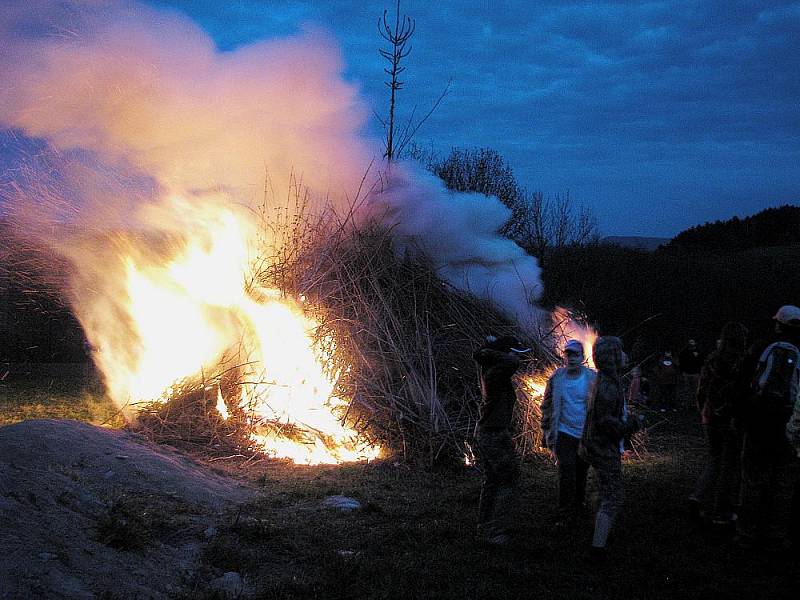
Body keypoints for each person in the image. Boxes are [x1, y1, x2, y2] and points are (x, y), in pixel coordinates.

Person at [735, 305, 800, 550]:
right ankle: (776, 534)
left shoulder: (762, 346)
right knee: (784, 481)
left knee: (753, 478)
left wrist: (741, 415)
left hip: (759, 422)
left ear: (778, 324)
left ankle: (746, 533)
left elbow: (743, 381)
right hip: (790, 426)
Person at [579, 336, 644, 558]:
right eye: (620, 351)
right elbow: (607, 422)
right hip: (602, 448)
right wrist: (632, 424)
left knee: (601, 489)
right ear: (611, 357)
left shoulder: (606, 380)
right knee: (613, 495)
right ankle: (598, 547)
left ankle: (598, 531)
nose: (625, 355)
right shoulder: (608, 387)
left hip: (595, 446)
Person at [473, 334, 530, 545]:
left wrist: (489, 351)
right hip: (492, 433)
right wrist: (490, 350)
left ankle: (485, 527)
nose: (519, 359)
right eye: (515, 352)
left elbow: (511, 360)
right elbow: (512, 361)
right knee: (509, 479)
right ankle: (495, 532)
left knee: (493, 480)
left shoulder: (496, 373)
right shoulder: (494, 373)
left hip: (495, 432)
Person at [689, 322, 747, 525]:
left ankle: (697, 497)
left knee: (715, 458)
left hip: (709, 417)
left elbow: (702, 388)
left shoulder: (712, 358)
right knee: (729, 464)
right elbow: (740, 392)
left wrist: (703, 410)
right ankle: (723, 510)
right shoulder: (740, 361)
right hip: (729, 419)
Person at [541, 339, 597, 525]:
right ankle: (565, 512)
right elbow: (547, 404)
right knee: (567, 472)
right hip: (563, 433)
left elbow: (597, 405)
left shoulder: (591, 378)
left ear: (582, 357)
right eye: (568, 354)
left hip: (584, 434)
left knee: (581, 471)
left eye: (575, 354)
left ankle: (579, 505)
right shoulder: (557, 377)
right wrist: (546, 428)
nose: (571, 358)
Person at [679, 339, 705, 408]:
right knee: (686, 389)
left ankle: (695, 403)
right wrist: (682, 371)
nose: (691, 344)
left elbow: (701, 362)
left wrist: (700, 372)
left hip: (695, 373)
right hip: (686, 373)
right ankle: (686, 403)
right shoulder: (684, 351)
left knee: (696, 389)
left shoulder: (699, 352)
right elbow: (681, 361)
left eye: (693, 342)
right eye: (690, 342)